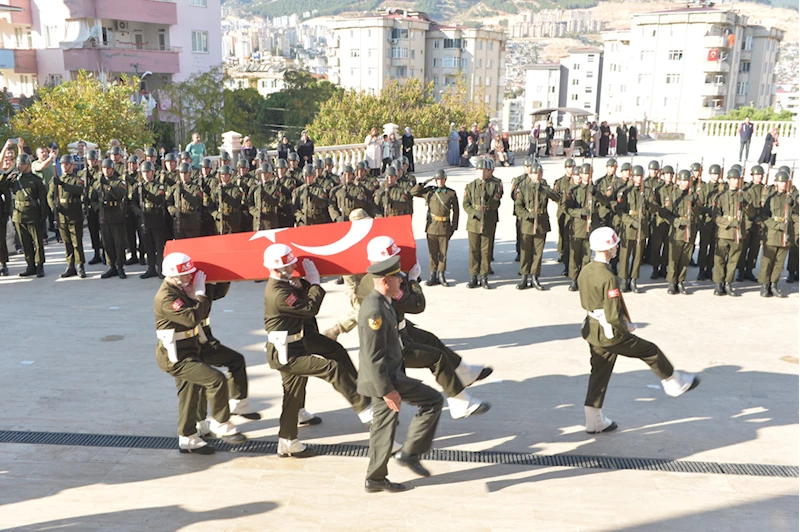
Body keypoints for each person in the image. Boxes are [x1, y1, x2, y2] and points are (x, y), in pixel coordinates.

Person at [578, 227, 700, 434]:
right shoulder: (608, 277)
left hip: (592, 329)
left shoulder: (587, 269)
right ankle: (673, 382)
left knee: (599, 373)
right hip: (610, 333)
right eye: (615, 244)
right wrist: (626, 327)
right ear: (608, 249)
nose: (617, 247)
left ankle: (594, 420)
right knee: (650, 351)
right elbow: (613, 315)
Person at [263, 244, 372, 458]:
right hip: (286, 353)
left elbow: (299, 299)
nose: (294, 265)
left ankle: (287, 442)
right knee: (331, 368)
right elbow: (308, 308)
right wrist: (314, 283)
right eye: (289, 264)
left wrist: (303, 284)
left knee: (293, 393)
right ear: (278, 269)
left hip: (293, 346)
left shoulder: (284, 285)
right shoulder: (278, 293)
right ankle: (365, 408)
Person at [357, 253, 444, 493]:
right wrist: (388, 391)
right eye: (398, 279)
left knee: (383, 427)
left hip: (387, 376)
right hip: (385, 378)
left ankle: (375, 478)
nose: (401, 282)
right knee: (433, 400)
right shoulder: (375, 309)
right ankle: (410, 454)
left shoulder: (382, 301)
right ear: (386, 281)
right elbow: (373, 356)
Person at [154, 252, 247, 454]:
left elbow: (214, 296)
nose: (191, 277)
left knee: (190, 394)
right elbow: (192, 317)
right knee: (215, 379)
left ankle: (188, 438)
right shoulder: (167, 297)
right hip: (176, 356)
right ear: (172, 276)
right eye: (186, 274)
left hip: (190, 349)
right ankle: (222, 423)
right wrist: (199, 294)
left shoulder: (179, 289)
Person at [515, 160, 560, 290]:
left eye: (539, 173)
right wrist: (527, 215)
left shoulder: (544, 187)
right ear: (530, 174)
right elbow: (518, 206)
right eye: (534, 173)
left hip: (541, 224)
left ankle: (535, 276)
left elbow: (557, 198)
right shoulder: (523, 188)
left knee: (538, 253)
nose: (537, 176)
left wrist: (544, 190)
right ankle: (524, 276)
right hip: (527, 224)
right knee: (526, 253)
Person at [410, 169, 459, 286]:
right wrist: (424, 183)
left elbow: (456, 212)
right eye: (437, 179)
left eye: (442, 179)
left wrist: (453, 227)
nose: (440, 181)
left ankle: (441, 274)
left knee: (443, 253)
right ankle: (433, 275)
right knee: (432, 253)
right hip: (432, 226)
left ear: (445, 180)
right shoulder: (430, 192)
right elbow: (413, 192)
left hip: (444, 226)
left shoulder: (451, 193)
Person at [566, 163, 610, 291]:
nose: (586, 176)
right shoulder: (575, 190)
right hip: (578, 226)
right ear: (580, 174)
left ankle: (583, 279)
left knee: (587, 256)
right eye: (584, 174)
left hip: (592, 227)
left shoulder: (596, 189)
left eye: (588, 174)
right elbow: (568, 209)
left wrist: (597, 194)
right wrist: (580, 212)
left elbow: (606, 203)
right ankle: (574, 279)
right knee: (575, 255)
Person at [712, 169, 755, 296]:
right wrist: (729, 223)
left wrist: (745, 205)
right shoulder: (720, 196)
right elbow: (715, 216)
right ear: (728, 180)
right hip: (724, 233)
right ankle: (719, 283)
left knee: (733, 260)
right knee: (719, 259)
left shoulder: (745, 195)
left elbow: (752, 214)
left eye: (738, 179)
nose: (736, 181)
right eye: (733, 178)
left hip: (738, 234)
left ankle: (728, 283)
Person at [463, 159, 503, 289]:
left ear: (489, 171)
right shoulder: (471, 186)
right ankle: (473, 275)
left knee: (485, 251)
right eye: (479, 170)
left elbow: (497, 203)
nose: (482, 172)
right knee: (474, 250)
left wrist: (488, 199)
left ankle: (484, 276)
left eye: (485, 170)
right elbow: (466, 203)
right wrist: (473, 212)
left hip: (488, 220)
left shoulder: (495, 184)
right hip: (474, 222)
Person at [617, 165, 657, 293]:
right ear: (632, 177)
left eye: (640, 176)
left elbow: (655, 208)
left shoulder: (648, 191)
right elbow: (619, 211)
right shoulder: (625, 191)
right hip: (628, 228)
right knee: (625, 255)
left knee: (638, 256)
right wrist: (630, 221)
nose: (638, 178)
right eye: (636, 176)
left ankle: (634, 279)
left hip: (641, 227)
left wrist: (648, 203)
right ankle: (624, 280)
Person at [48, 154, 86, 279]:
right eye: (62, 164)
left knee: (76, 242)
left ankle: (80, 265)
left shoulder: (76, 179)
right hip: (62, 214)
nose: (64, 166)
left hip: (74, 213)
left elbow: (79, 190)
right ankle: (70, 265)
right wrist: (54, 207)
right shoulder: (57, 180)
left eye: (66, 164)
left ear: (72, 165)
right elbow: (50, 196)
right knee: (67, 242)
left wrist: (63, 185)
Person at [663, 170, 701, 295]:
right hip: (677, 231)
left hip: (690, 231)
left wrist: (694, 203)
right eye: (683, 180)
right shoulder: (673, 195)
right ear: (678, 181)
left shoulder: (693, 195)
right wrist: (678, 222)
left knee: (685, 258)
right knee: (674, 258)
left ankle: (681, 281)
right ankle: (672, 282)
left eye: (687, 181)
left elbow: (698, 212)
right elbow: (666, 214)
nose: (685, 183)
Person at [759, 170, 795, 298]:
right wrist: (777, 225)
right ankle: (764, 285)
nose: (783, 184)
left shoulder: (791, 197)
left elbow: (797, 212)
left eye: (785, 182)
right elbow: (764, 216)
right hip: (772, 234)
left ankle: (774, 284)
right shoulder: (770, 197)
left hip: (786, 235)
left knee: (779, 263)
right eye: (781, 181)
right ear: (776, 182)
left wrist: (794, 204)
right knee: (767, 261)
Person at [11, 153, 47, 277]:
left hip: (33, 213)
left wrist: (43, 215)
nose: (19, 166)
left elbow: (43, 199)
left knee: (37, 242)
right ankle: (30, 265)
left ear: (28, 165)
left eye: (22, 164)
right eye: (18, 164)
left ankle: (40, 265)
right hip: (19, 215)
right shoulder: (15, 179)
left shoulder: (36, 180)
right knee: (25, 242)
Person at [130, 161, 166, 279]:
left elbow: (159, 199)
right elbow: (132, 202)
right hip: (145, 219)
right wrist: (138, 212)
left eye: (148, 172)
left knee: (159, 246)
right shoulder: (139, 186)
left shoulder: (158, 186)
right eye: (144, 172)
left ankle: (161, 268)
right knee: (148, 245)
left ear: (153, 172)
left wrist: (147, 194)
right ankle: (151, 268)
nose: (146, 174)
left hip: (157, 218)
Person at [94, 158, 128, 279]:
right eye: (104, 168)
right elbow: (91, 196)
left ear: (113, 169)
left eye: (108, 168)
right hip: (104, 216)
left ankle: (120, 266)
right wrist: (97, 206)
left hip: (116, 215)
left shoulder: (119, 182)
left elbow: (120, 194)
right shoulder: (97, 182)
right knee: (107, 243)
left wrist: (107, 185)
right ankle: (111, 266)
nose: (106, 170)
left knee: (118, 243)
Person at [167, 162, 205, 239]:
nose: (183, 175)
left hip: (191, 222)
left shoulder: (196, 188)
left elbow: (197, 201)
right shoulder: (174, 187)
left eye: (185, 173)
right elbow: (168, 202)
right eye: (181, 173)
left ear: (189, 173)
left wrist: (185, 193)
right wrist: (174, 211)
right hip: (178, 222)